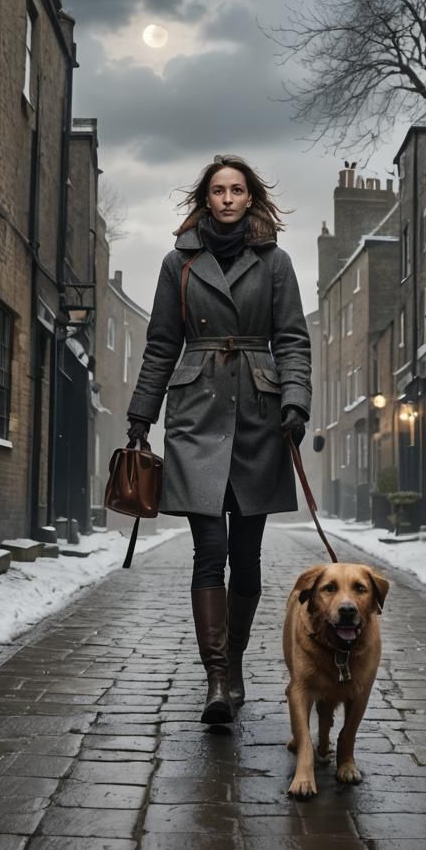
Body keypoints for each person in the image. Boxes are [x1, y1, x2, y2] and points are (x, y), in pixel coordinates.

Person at [126, 155, 311, 725]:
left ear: (250, 197)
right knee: (210, 551)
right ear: (205, 199)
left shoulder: (275, 261)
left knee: (247, 555)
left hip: (258, 413)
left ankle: (233, 666)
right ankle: (215, 679)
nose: (227, 198)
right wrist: (141, 415)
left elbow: (292, 338)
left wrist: (295, 400)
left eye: (236, 190)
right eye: (218, 190)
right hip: (197, 414)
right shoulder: (177, 263)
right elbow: (162, 343)